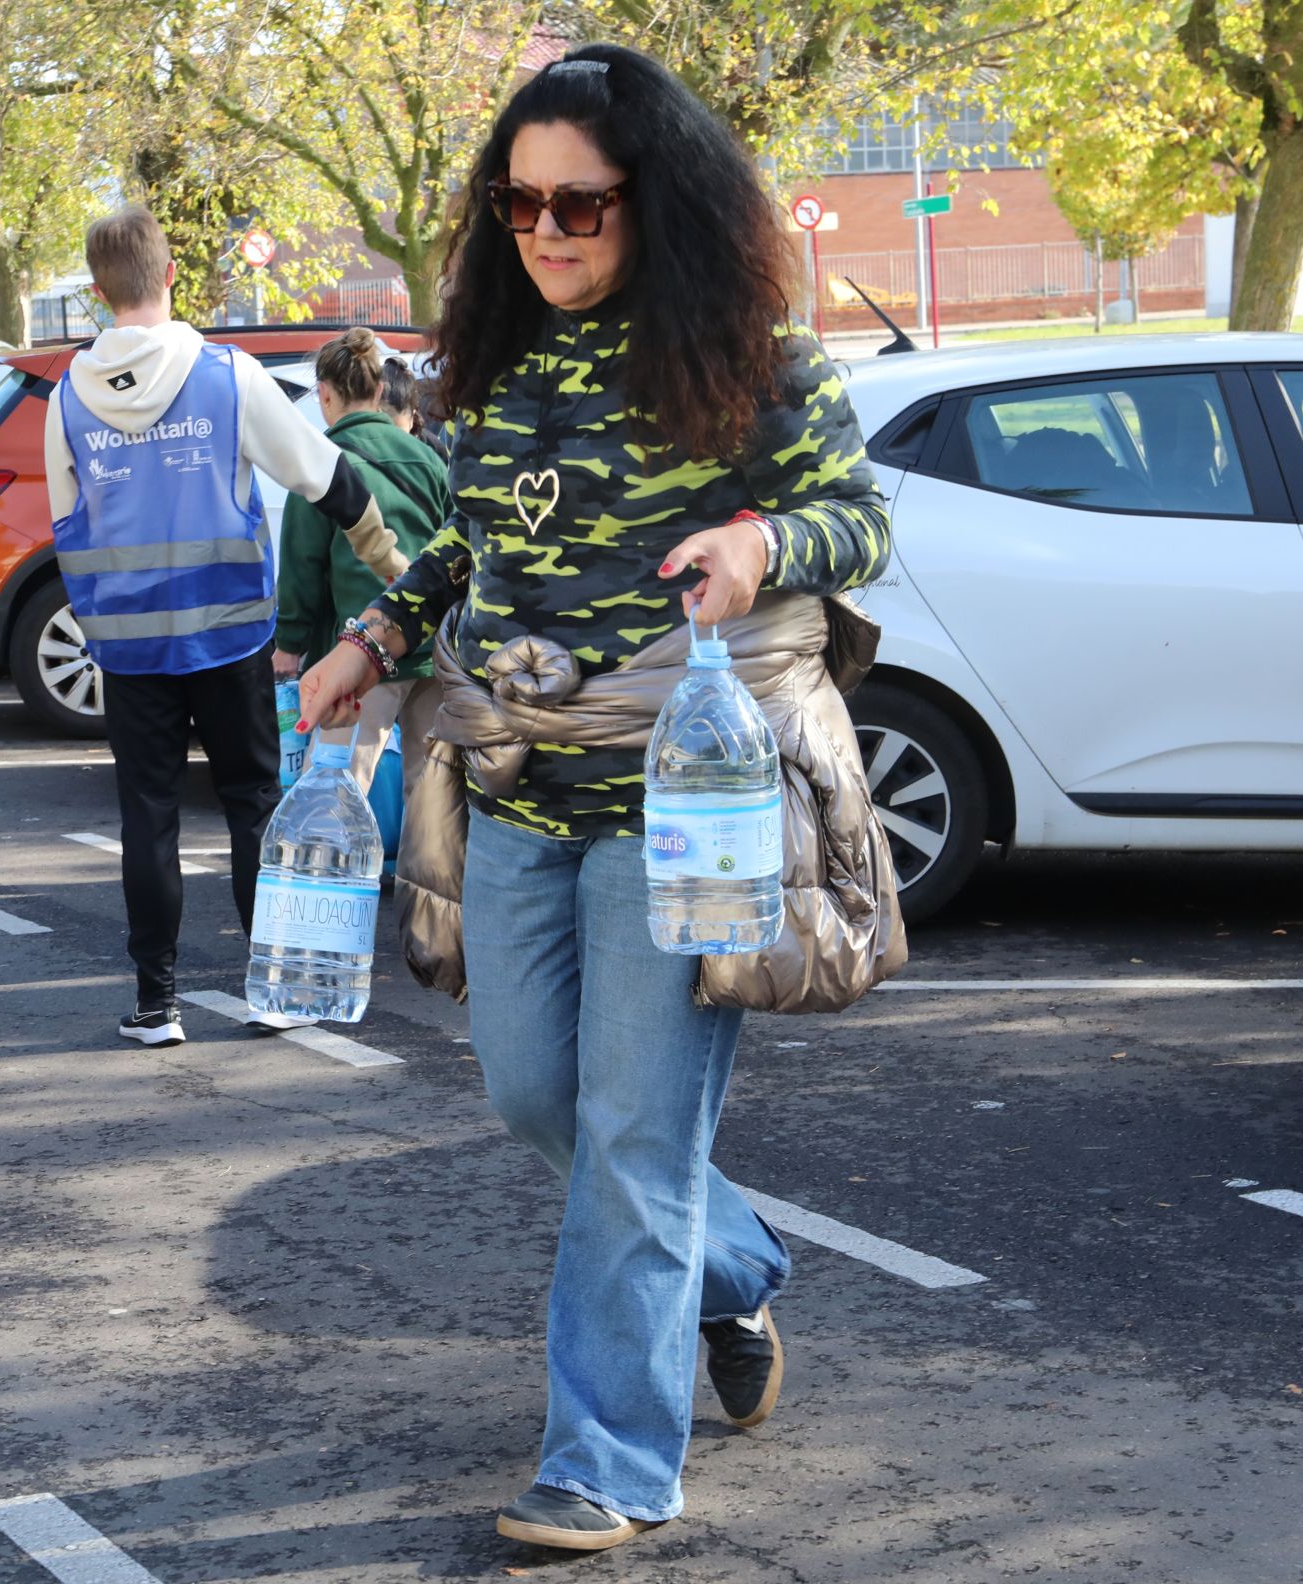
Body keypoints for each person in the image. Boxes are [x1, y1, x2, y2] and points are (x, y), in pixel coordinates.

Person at [296, 45, 892, 1550]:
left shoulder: (749, 356)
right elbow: (463, 552)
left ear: (658, 203)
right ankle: (738, 1268)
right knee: (533, 1095)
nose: (548, 234)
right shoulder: (493, 362)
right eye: (520, 205)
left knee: (632, 1133)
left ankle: (606, 1462)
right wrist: (373, 638)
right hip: (515, 789)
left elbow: (859, 515)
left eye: (583, 205)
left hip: (678, 804)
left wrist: (763, 541)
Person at [43, 204, 409, 1051]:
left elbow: (68, 525)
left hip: (130, 646)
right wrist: (391, 567)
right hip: (233, 636)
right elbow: (328, 478)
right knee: (250, 805)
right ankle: (270, 991)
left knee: (149, 816)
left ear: (97, 294)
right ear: (171, 275)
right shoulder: (227, 375)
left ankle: (153, 1004)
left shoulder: (66, 396)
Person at [273, 330, 447, 797]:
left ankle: (334, 870)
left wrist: (288, 646)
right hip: (432, 650)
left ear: (324, 394)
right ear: (378, 392)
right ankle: (419, 873)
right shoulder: (428, 459)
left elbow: (300, 567)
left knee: (338, 782)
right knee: (432, 792)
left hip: (362, 651)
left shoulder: (321, 465)